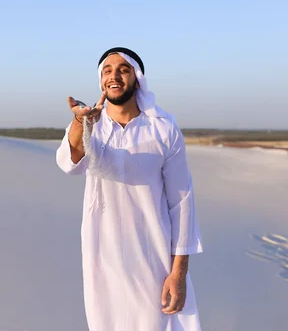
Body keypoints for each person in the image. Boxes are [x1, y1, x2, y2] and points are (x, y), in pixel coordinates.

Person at [55, 47, 203, 330]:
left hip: (153, 255)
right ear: (101, 80)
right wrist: (81, 121)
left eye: (123, 69)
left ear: (137, 78)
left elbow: (182, 201)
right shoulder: (89, 124)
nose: (115, 76)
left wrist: (179, 273)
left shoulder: (163, 128)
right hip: (103, 253)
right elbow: (69, 162)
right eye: (107, 70)